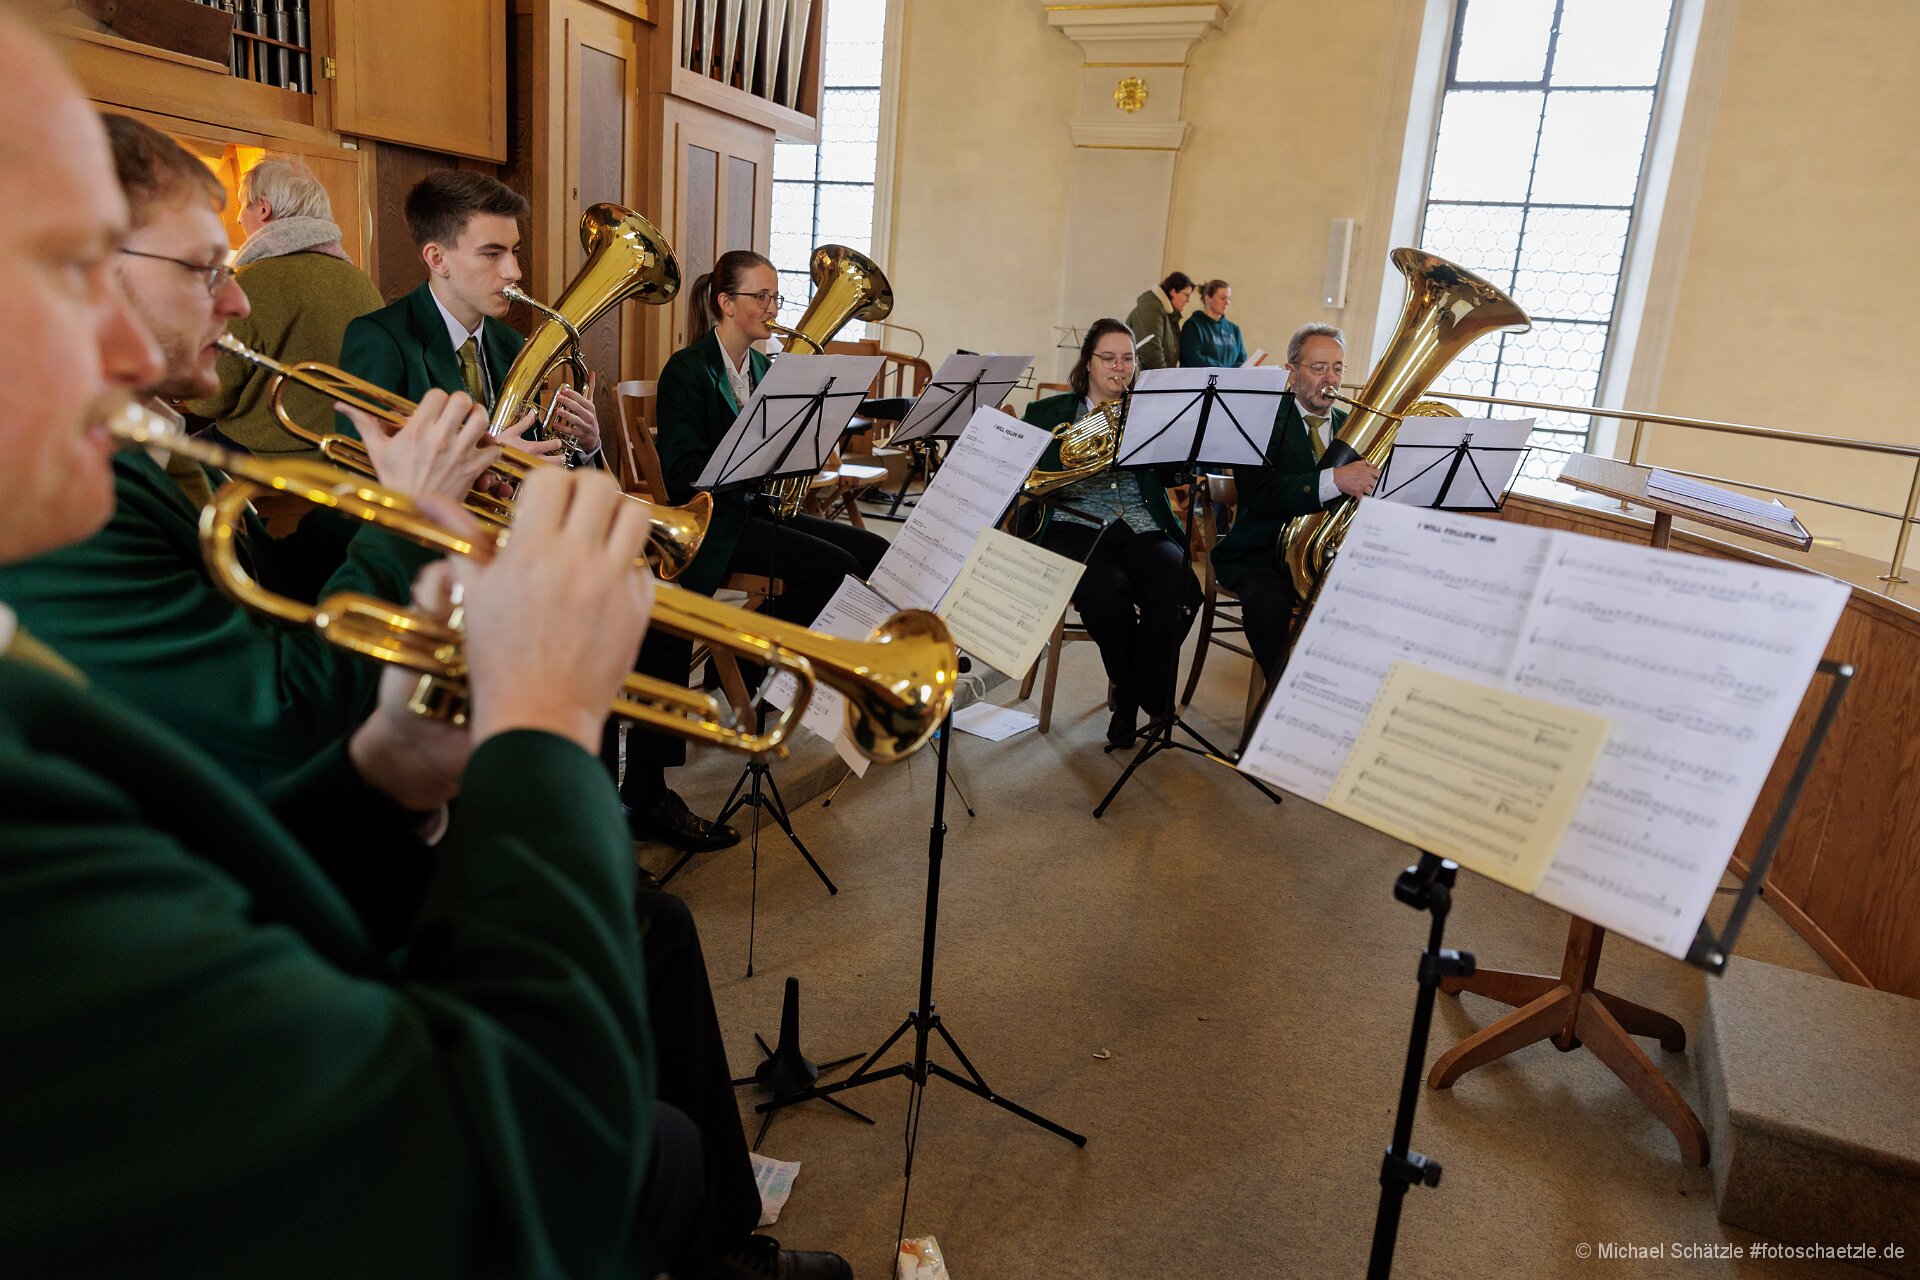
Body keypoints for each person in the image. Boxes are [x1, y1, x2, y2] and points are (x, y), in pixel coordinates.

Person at [0, 22, 850, 1278]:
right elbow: (503, 1175)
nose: (230, 306)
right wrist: (534, 716)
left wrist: (385, 774)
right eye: (71, 270)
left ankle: (730, 1250)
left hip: (306, 844)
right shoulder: (96, 514)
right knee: (654, 1128)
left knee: (657, 935)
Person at [0, 113, 495, 788]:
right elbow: (286, 713)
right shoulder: (58, 501)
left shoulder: (156, 442)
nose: (237, 299)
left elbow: (270, 584)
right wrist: (409, 517)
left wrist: (392, 495)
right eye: (206, 270)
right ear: (85, 274)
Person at [635, 249, 890, 848]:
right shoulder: (687, 370)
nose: (774, 308)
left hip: (754, 514)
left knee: (872, 550)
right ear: (726, 303)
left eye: (775, 297)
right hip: (710, 527)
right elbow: (682, 474)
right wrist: (751, 451)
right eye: (762, 297)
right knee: (834, 569)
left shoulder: (763, 368)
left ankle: (752, 670)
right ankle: (757, 673)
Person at [1022, 318, 1199, 748]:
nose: (1120, 368)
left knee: (1181, 588)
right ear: (1088, 362)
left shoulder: (1147, 412)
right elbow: (1026, 474)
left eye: (1127, 359)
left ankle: (1130, 693)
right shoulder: (1049, 413)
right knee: (1105, 593)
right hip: (1074, 523)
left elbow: (1171, 475)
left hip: (1139, 521)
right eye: (1109, 358)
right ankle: (1139, 693)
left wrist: (1182, 445)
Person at [337, 170, 599, 459]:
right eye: (491, 254)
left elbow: (536, 455)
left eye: (514, 252)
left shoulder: (514, 345)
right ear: (437, 259)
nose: (514, 272)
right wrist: (489, 460)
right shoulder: (379, 340)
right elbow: (356, 467)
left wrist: (585, 446)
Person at [182, 154, 385, 457]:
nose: (238, 219)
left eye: (243, 206)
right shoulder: (362, 282)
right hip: (351, 457)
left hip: (267, 457)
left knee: (162, 468)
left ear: (263, 209)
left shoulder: (248, 282)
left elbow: (208, 399)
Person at [1211, 323, 1379, 680]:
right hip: (1262, 553)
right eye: (1319, 368)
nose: (1330, 379)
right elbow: (1260, 494)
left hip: (1328, 558)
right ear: (1291, 373)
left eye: (1337, 368)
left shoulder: (1354, 428)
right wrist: (1335, 479)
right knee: (1267, 605)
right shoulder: (1260, 421)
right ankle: (1282, 696)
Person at [1125, 269, 1192, 372]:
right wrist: (1164, 377)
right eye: (1186, 295)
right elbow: (1150, 349)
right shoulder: (1151, 308)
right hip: (1146, 377)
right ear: (1173, 292)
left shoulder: (1166, 314)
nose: (1188, 301)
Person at [1179, 278, 1247, 368]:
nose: (1227, 302)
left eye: (1229, 298)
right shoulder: (1193, 326)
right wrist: (1223, 370)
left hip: (1229, 377)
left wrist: (1230, 373)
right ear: (1208, 299)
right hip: (1202, 377)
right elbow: (1194, 358)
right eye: (1222, 298)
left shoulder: (1234, 329)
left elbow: (1242, 360)